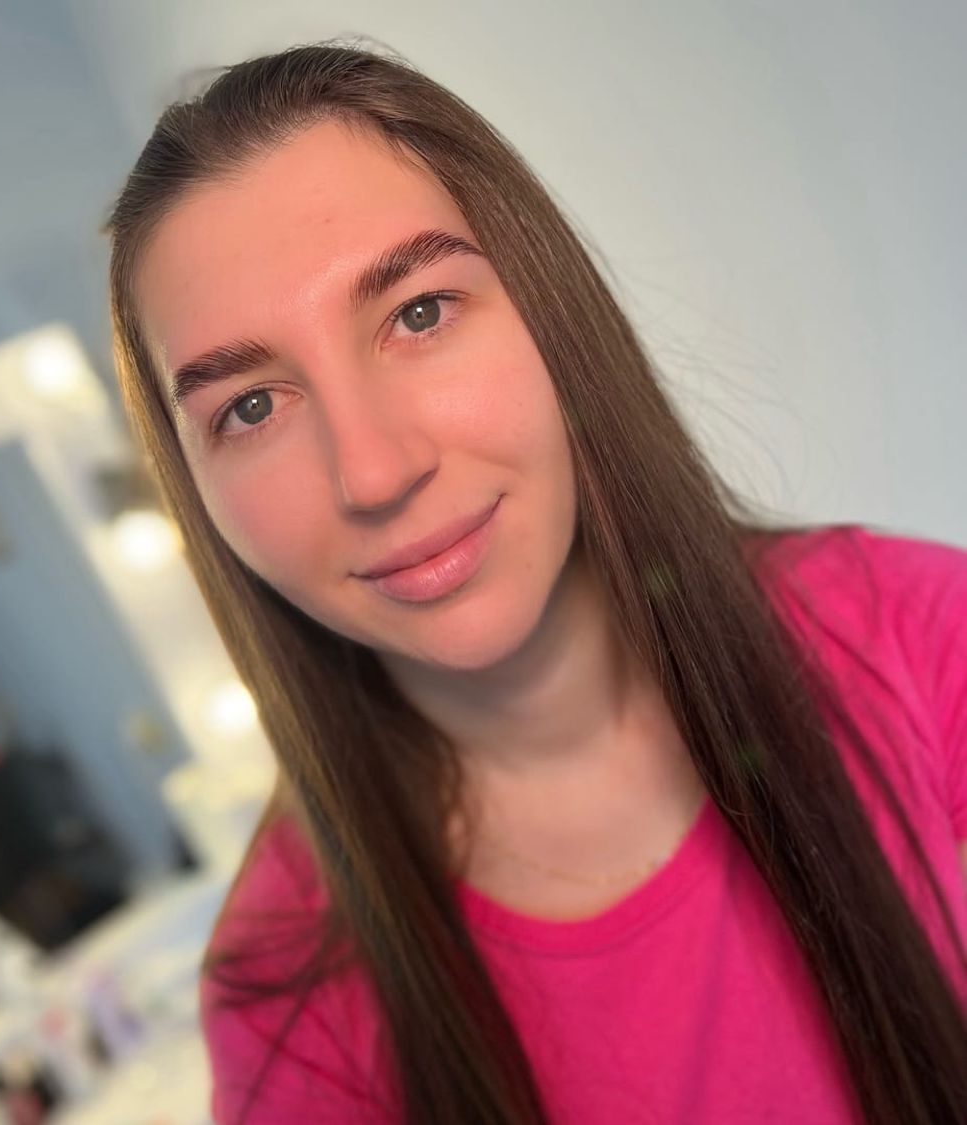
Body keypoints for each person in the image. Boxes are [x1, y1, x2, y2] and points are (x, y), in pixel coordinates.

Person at [105, 43, 967, 1125]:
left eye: (420, 313)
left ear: (552, 311)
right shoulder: (287, 992)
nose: (374, 470)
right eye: (251, 407)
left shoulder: (912, 638)